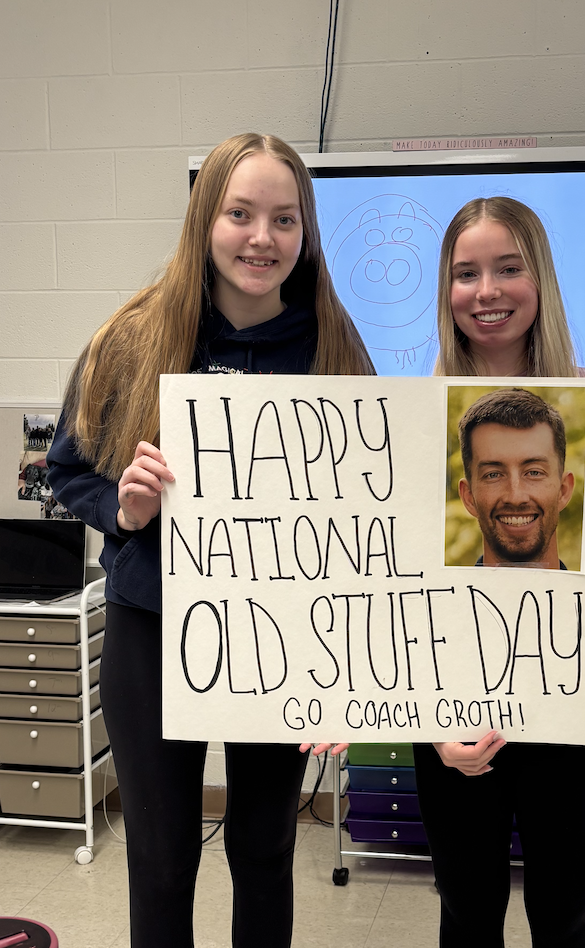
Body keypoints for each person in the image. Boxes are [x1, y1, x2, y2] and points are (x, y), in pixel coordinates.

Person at [47, 133, 373, 948]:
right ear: (205, 219)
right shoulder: (129, 339)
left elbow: (368, 520)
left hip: (285, 638)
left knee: (265, 849)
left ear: (305, 233)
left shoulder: (332, 346)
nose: (262, 237)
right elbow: (66, 470)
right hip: (154, 629)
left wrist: (348, 665)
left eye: (284, 219)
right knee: (160, 861)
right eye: (240, 213)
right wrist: (123, 511)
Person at [413, 196, 585, 948]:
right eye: (465, 274)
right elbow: (396, 601)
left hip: (572, 715)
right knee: (466, 915)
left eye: (507, 268)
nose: (486, 290)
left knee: (565, 919)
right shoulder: (412, 416)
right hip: (454, 717)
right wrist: (430, 730)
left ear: (540, 279)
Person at [456, 387, 575, 568]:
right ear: (469, 497)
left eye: (534, 472)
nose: (515, 497)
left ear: (563, 490)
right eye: (493, 475)